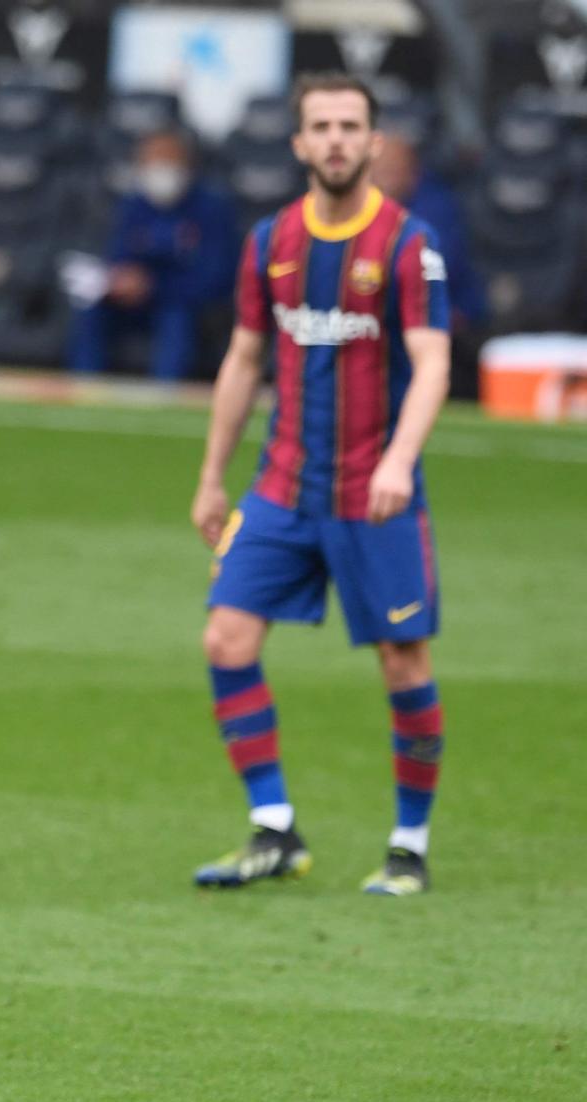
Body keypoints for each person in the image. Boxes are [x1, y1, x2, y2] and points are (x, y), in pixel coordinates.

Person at [190, 73, 451, 898]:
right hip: (282, 487)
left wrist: (400, 459)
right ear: (299, 143)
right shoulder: (270, 241)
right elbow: (243, 358)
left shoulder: (409, 245)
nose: (336, 139)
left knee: (404, 663)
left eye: (351, 125)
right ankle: (274, 829)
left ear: (374, 143)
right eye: (321, 126)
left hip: (374, 493)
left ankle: (409, 843)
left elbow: (435, 359)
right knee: (225, 639)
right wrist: (210, 477)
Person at [66, 130, 239, 381]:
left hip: (186, 305)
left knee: (176, 318)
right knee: (92, 313)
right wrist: (120, 281)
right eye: (152, 161)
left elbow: (217, 276)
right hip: (134, 305)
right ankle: (82, 386)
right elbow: (118, 256)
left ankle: (165, 394)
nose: (160, 169)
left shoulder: (213, 207)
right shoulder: (133, 205)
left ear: (187, 164)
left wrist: (155, 286)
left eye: (168, 160)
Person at [370, 131, 487, 333]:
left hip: (444, 311)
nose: (386, 180)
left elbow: (438, 268)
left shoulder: (437, 207)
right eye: (379, 171)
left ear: (412, 173)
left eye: (393, 170)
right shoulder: (351, 208)